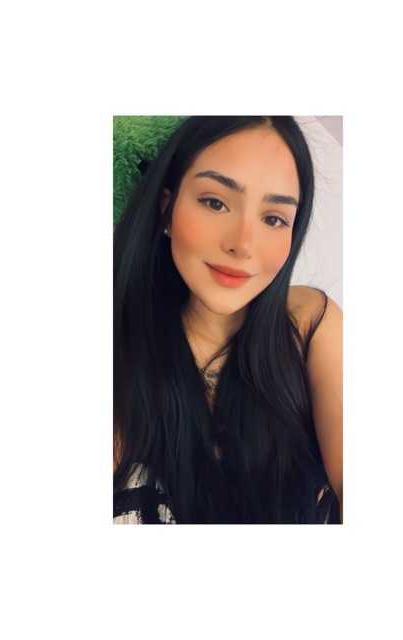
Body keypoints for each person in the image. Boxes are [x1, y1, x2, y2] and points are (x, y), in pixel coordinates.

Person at [113, 116, 342, 524]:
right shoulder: (118, 350)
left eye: (274, 218)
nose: (243, 245)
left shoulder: (309, 322)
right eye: (215, 202)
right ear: (167, 208)